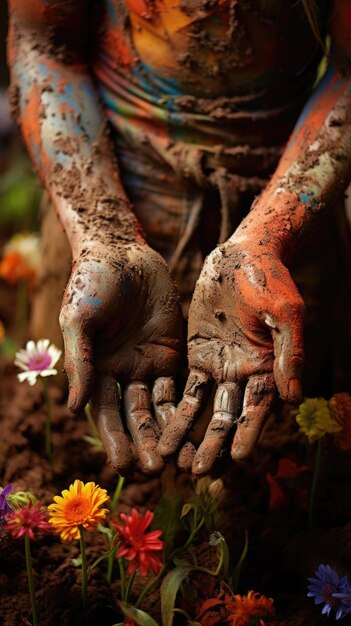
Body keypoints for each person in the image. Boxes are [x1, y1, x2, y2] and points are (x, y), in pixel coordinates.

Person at [7, 0, 351, 476]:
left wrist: (267, 238)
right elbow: (45, 47)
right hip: (102, 196)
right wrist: (105, 237)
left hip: (283, 222)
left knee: (279, 478)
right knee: (69, 456)